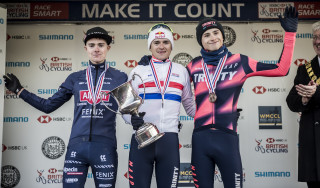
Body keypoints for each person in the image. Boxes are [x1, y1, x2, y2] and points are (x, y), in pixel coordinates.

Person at [186, 6, 298, 188]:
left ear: (223, 36)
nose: (213, 37)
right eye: (206, 35)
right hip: (200, 140)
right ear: (201, 40)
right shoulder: (193, 65)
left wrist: (290, 34)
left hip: (227, 137)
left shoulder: (239, 62)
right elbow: (171, 83)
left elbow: (281, 69)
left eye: (216, 32)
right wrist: (150, 62)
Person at [3, 27, 128, 188]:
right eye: (91, 45)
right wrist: (20, 91)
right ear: (86, 49)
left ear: (108, 48)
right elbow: (48, 106)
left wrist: (147, 63)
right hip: (77, 149)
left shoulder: (120, 77)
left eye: (101, 45)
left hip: (105, 147)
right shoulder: (74, 78)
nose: (96, 49)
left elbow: (131, 109)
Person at [122, 23, 196, 188]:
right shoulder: (137, 71)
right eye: (156, 42)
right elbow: (126, 109)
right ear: (150, 46)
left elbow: (191, 108)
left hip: (169, 140)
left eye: (165, 42)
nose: (161, 46)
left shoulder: (181, 71)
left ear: (171, 45)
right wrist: (131, 119)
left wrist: (218, 112)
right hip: (142, 139)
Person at [286, 21, 320, 188]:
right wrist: (303, 100)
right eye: (315, 37)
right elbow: (291, 102)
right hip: (312, 143)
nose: (317, 42)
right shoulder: (304, 69)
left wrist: (316, 92)